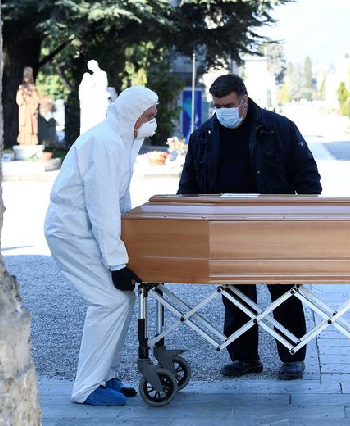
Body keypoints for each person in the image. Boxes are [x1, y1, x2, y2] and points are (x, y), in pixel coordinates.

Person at [178, 74, 322, 380]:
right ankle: (244, 358)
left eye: (228, 104)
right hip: (226, 226)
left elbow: (307, 175)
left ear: (244, 100)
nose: (222, 111)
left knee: (283, 291)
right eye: (217, 106)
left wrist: (303, 218)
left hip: (274, 225)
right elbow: (188, 182)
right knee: (235, 293)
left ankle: (292, 356)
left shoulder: (278, 128)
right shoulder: (203, 134)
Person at [44, 86, 158, 406]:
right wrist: (116, 262)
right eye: (148, 116)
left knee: (122, 298)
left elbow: (120, 200)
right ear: (131, 114)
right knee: (109, 301)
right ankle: (87, 387)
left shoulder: (123, 140)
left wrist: (129, 240)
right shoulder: (106, 142)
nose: (153, 123)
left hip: (84, 229)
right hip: (72, 231)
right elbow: (102, 206)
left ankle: (106, 375)